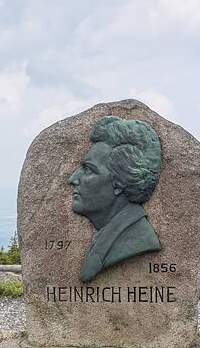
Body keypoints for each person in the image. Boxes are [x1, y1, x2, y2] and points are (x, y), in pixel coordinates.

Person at [68, 115, 162, 282]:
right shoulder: (111, 233)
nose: (73, 179)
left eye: (88, 170)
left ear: (120, 182)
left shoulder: (138, 239)